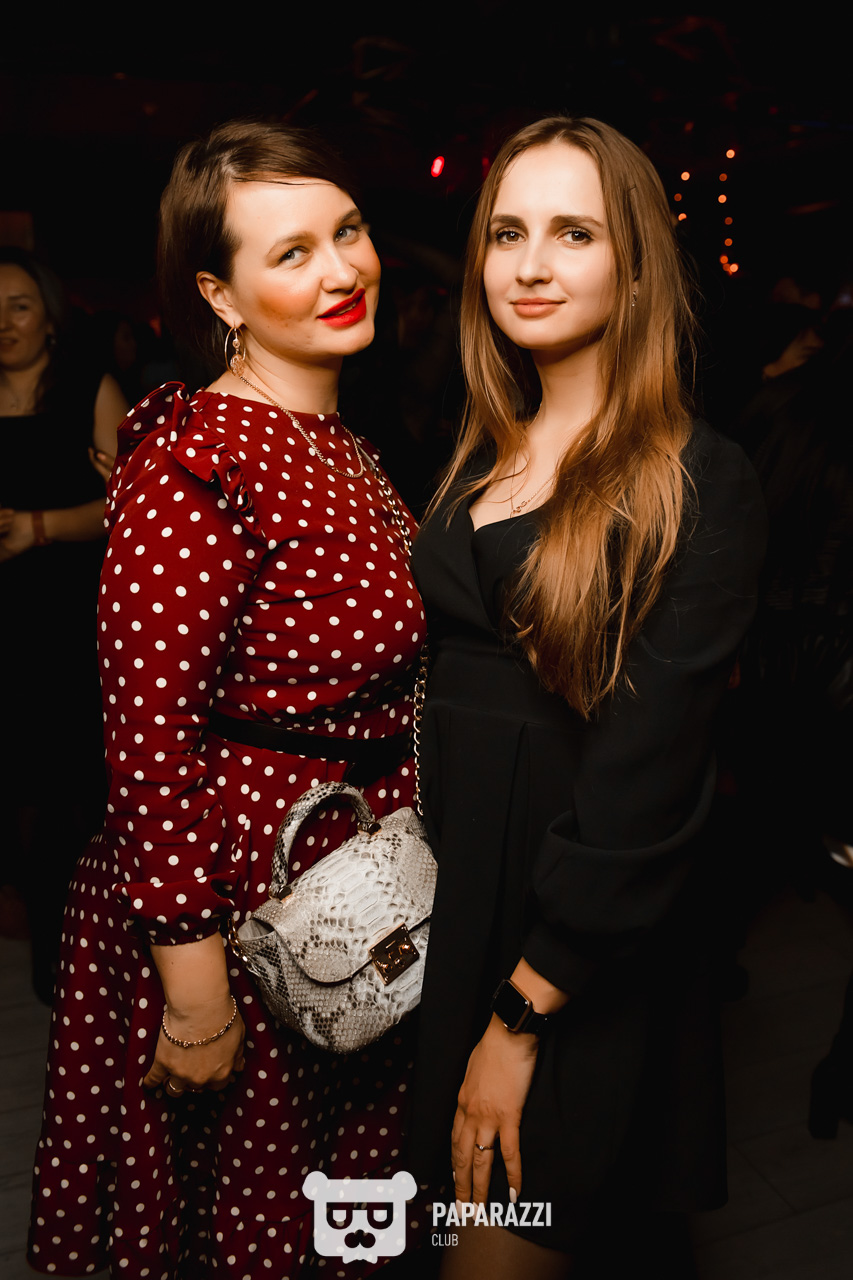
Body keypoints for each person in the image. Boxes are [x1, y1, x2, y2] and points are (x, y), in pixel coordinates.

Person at [29, 121, 426, 1278]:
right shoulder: (195, 456)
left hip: (345, 885)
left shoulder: (336, 437)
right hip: (239, 897)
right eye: (291, 251)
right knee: (241, 1217)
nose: (342, 268)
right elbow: (147, 741)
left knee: (335, 1213)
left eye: (347, 230)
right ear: (220, 293)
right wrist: (195, 987)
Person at [409, 117, 767, 1277]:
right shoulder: (477, 451)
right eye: (506, 232)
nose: (530, 264)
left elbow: (646, 780)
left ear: (636, 266)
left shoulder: (694, 478)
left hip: (569, 951)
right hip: (455, 913)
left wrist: (521, 1015)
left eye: (574, 233)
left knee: (498, 1237)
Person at [0, 248, 126, 999]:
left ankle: (80, 959)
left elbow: (129, 502)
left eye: (18, 305)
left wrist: (36, 528)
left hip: (72, 619)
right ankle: (45, 945)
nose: (3, 321)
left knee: (72, 790)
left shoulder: (89, 388)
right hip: (7, 622)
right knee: (17, 787)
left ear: (49, 315)